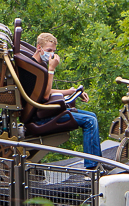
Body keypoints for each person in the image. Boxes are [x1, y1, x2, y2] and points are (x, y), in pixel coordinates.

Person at [34, 32, 103, 170]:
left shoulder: (40, 64)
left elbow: (43, 90)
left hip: (46, 110)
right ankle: (91, 168)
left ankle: (97, 162)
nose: (52, 55)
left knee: (93, 116)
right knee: (90, 122)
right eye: (48, 51)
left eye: (54, 51)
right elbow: (46, 96)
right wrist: (51, 69)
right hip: (41, 117)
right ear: (39, 48)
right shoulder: (35, 68)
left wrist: (70, 92)